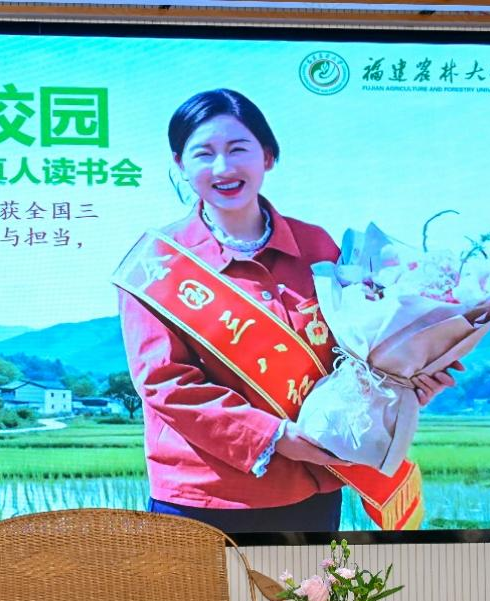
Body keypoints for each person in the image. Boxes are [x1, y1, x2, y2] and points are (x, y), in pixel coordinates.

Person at [115, 89, 456, 534]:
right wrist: (273, 437)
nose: (223, 167)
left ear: (268, 156)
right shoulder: (158, 264)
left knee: (308, 586)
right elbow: (166, 383)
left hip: (309, 487)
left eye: (238, 149)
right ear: (180, 164)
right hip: (204, 492)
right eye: (204, 153)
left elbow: (354, 353)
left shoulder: (317, 246)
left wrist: (403, 380)